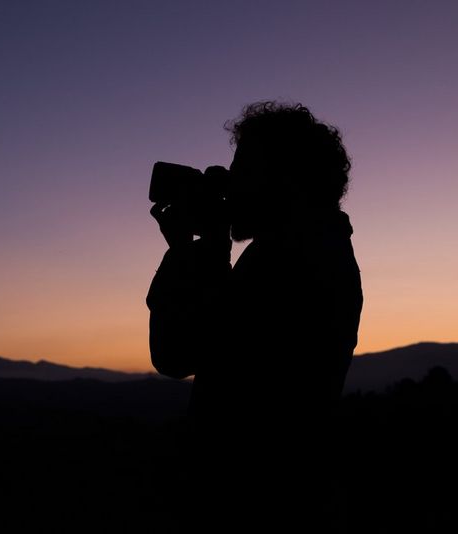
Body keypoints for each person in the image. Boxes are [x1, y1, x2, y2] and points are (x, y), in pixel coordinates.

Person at [146, 101, 363, 529]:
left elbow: (176, 353)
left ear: (286, 179)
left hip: (252, 503)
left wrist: (195, 248)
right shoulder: (307, 248)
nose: (228, 183)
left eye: (242, 168)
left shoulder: (292, 260)